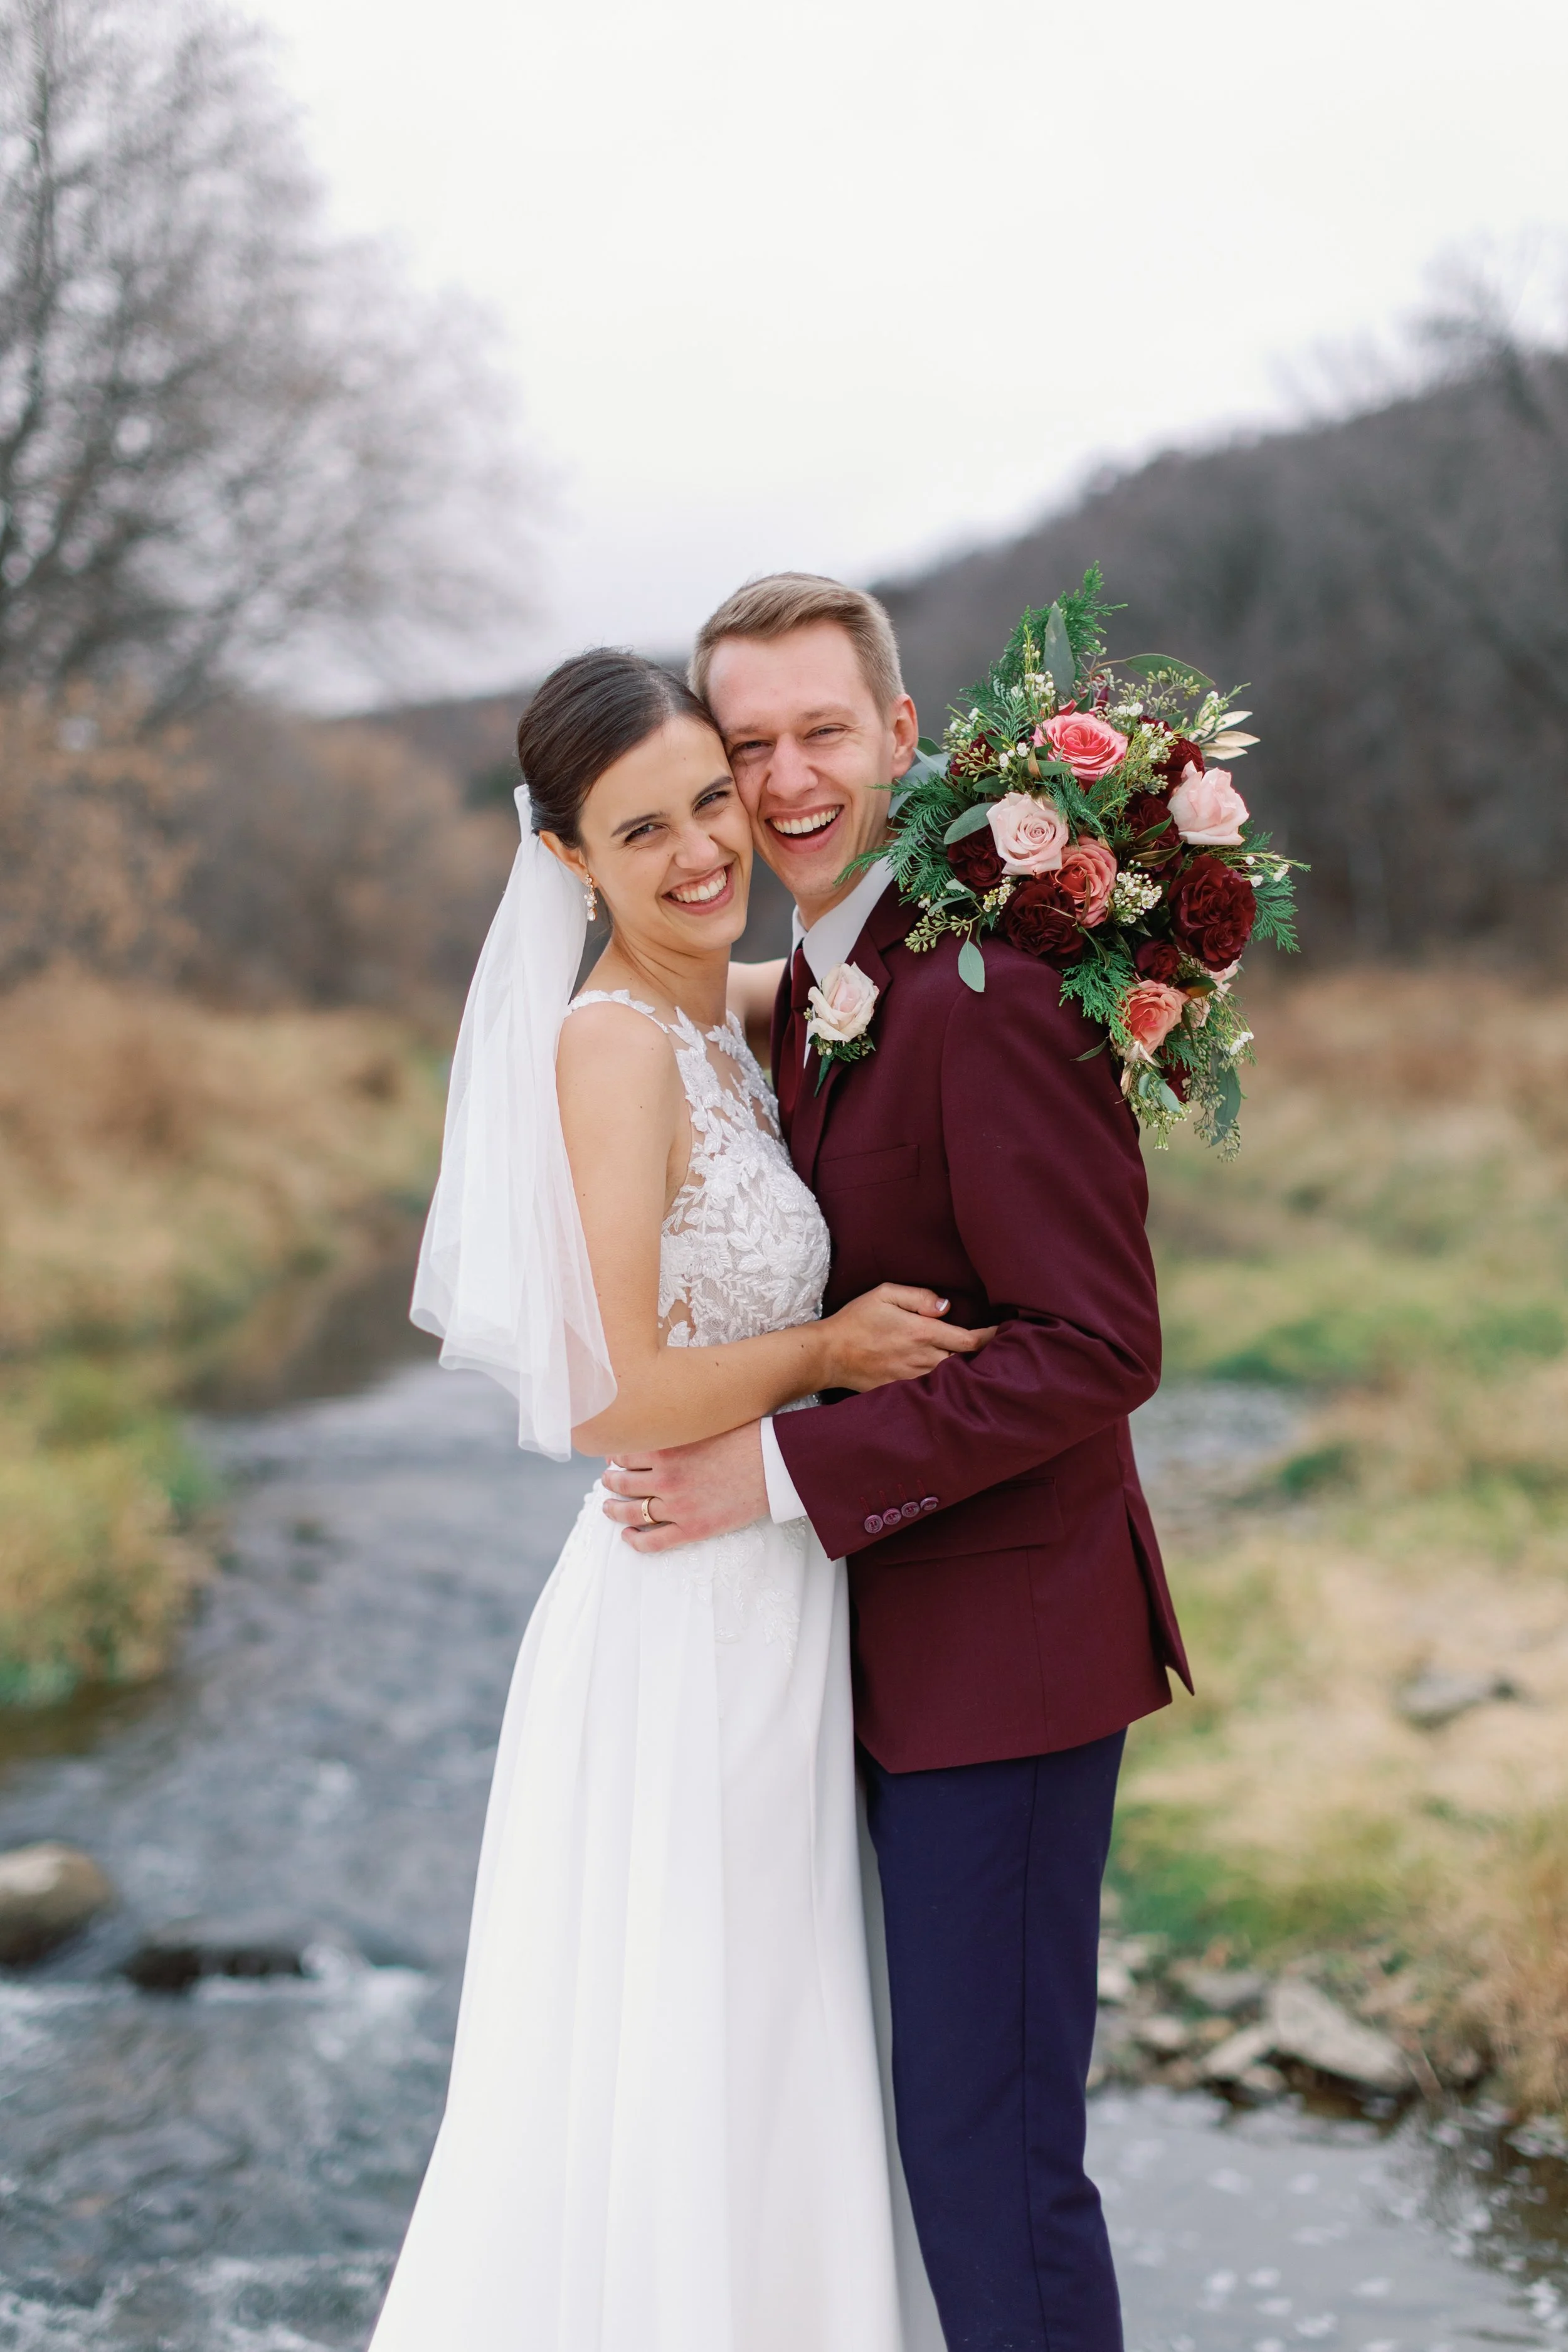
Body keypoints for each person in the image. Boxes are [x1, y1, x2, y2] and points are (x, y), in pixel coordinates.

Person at [369, 649, 988, 2351]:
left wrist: (1080, 881)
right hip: (681, 1617)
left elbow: (894, 979)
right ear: (566, 860)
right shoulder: (609, 1049)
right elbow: (601, 1392)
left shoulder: (714, 1007)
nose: (703, 848)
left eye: (712, 798)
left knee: (769, 2037)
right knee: (689, 2045)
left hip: (773, 1594)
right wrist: (830, 1350)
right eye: (641, 830)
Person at [601, 576, 1192, 2352]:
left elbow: (1098, 1345)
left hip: (1000, 1667)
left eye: (819, 734)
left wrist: (775, 1469)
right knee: (888, 2131)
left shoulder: (986, 989)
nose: (781, 780)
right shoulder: (826, 982)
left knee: (989, 2156)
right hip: (862, 1657)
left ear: (902, 739)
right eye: (746, 746)